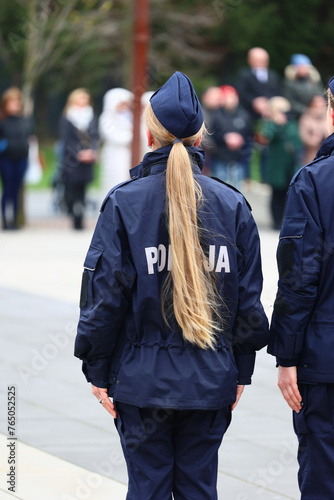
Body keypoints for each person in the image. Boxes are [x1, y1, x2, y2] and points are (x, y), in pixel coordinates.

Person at [75, 71, 268, 500]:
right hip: (209, 380)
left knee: (147, 489)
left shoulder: (124, 202)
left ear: (149, 135)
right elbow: (248, 302)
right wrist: (240, 370)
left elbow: (104, 297)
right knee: (200, 490)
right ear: (201, 138)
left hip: (141, 383)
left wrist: (97, 369)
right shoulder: (232, 203)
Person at [268, 76, 334, 499]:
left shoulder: (314, 181)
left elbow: (298, 276)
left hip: (324, 357)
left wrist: (286, 355)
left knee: (323, 472)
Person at [236, 47, 281, 181]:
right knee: (249, 148)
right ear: (250, 60)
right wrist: (254, 102)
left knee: (266, 148)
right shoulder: (243, 75)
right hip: (249, 117)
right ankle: (247, 177)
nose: (260, 62)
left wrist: (268, 104)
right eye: (257, 59)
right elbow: (241, 93)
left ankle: (265, 177)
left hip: (268, 117)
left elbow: (278, 93)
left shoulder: (273, 76)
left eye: (263, 60)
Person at [257, 96, 301, 230]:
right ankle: (276, 222)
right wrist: (277, 125)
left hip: (290, 164)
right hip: (276, 165)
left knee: (289, 193)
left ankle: (284, 220)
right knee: (276, 194)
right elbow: (265, 137)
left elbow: (297, 140)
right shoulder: (269, 124)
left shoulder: (291, 123)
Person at [59, 88, 98, 230]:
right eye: (81, 99)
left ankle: (80, 219)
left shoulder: (91, 116)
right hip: (72, 161)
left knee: (83, 191)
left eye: (86, 99)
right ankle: (73, 216)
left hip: (86, 161)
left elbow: (94, 136)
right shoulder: (67, 117)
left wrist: (92, 151)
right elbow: (67, 139)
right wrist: (79, 153)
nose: (83, 102)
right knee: (72, 190)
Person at [0, 87, 33, 229]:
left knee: (17, 189)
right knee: (7, 189)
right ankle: (6, 221)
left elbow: (30, 136)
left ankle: (15, 220)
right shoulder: (2, 121)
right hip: (6, 159)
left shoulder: (25, 120)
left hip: (22, 158)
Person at [210, 85, 252, 189]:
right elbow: (212, 133)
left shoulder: (244, 114)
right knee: (219, 187)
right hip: (220, 155)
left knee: (237, 189)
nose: (231, 100)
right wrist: (225, 138)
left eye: (233, 97)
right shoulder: (216, 115)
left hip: (238, 156)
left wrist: (240, 138)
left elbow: (249, 133)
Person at [99, 88, 133, 192]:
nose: (124, 107)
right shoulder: (106, 118)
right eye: (121, 104)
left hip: (128, 152)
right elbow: (114, 136)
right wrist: (132, 136)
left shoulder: (130, 117)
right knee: (115, 181)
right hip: (114, 153)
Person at [283, 54, 323, 119]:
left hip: (316, 111)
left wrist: (317, 104)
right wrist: (306, 110)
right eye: (301, 67)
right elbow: (290, 101)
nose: (304, 69)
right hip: (297, 115)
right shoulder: (289, 82)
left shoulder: (314, 80)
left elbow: (320, 94)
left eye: (305, 66)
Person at [299, 94, 327, 165]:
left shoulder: (327, 116)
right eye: (318, 102)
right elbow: (303, 136)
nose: (321, 103)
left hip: (326, 153)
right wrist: (314, 139)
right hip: (311, 153)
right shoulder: (306, 117)